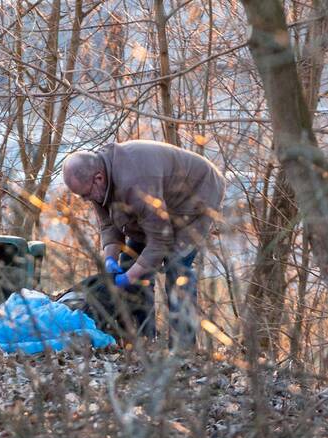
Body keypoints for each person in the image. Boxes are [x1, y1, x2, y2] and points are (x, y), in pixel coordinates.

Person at [62, 140, 225, 349]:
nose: (86, 200)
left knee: (177, 269)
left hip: (195, 198)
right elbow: (108, 224)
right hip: (156, 207)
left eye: (85, 195)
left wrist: (129, 277)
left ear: (99, 178)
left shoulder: (135, 183)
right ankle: (142, 340)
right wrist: (110, 259)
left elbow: (160, 241)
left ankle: (183, 351)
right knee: (130, 261)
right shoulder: (97, 180)